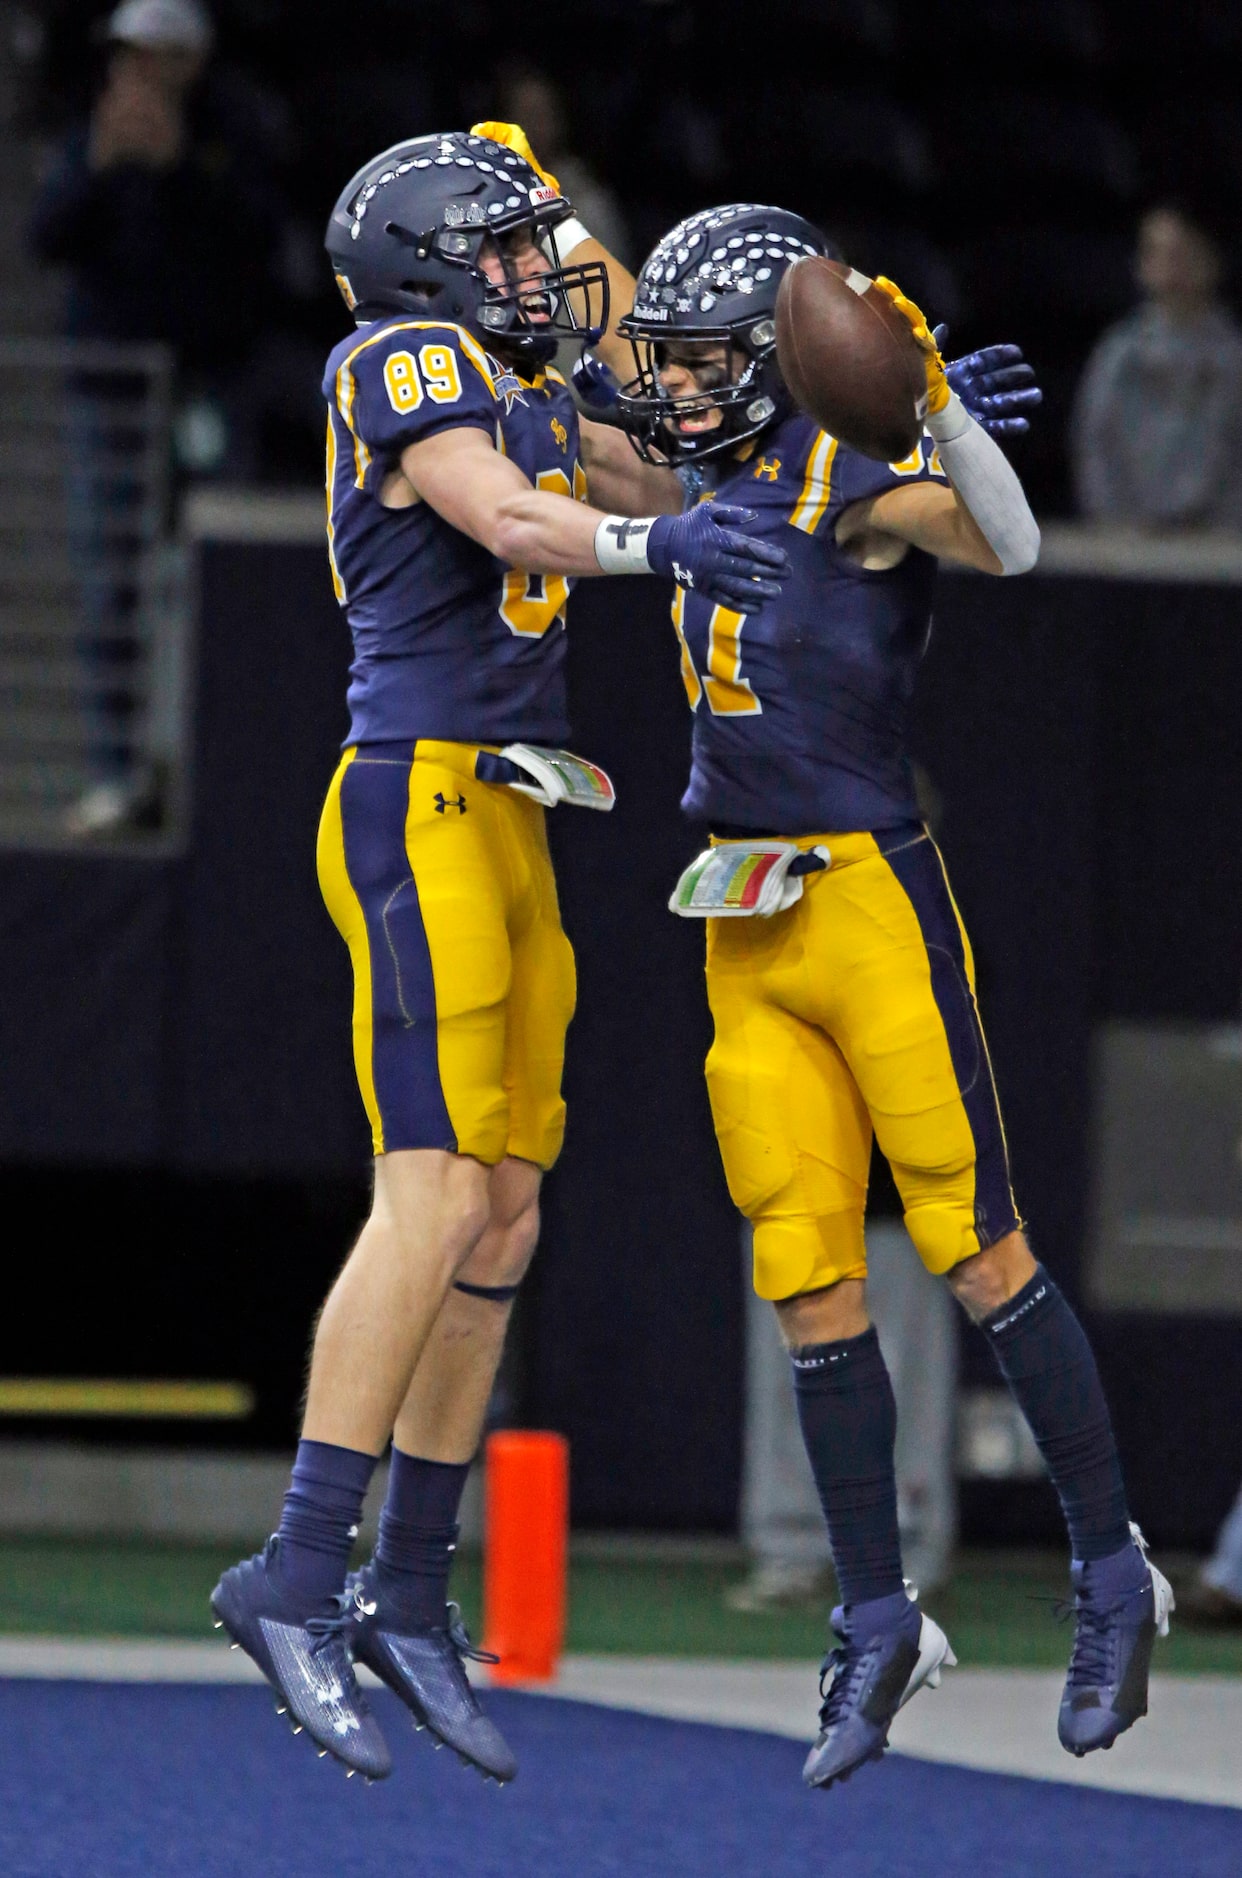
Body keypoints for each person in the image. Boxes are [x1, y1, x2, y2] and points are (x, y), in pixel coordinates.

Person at [208, 128, 787, 1784]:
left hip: (512, 816)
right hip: (419, 801)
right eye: (516, 251)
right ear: (439, 263)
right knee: (434, 1190)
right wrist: (656, 542)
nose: (545, 273)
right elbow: (514, 521)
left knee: (508, 1209)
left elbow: (670, 481)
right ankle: (298, 1566)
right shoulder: (397, 358)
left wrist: (816, 432)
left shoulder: (528, 382)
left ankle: (407, 1586)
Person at [605, 200, 1173, 1790]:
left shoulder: (845, 477)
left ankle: (1110, 1573)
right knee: (801, 1264)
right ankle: (875, 1613)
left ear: (794, 370)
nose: (683, 387)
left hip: (861, 896)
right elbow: (575, 442)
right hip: (738, 915)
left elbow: (1012, 540)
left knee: (975, 1249)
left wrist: (924, 410)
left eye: (713, 362)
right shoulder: (703, 466)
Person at [28, 0, 288, 836]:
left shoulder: (235, 125)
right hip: (115, 399)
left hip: (209, 383)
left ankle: (207, 770)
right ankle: (117, 773)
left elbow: (258, 242)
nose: (140, 70)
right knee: (114, 589)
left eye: (156, 54)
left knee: (209, 581)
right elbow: (46, 238)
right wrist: (102, 164)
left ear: (190, 58)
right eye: (129, 53)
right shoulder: (98, 127)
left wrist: (179, 167)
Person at [1072, 202, 1242, 530]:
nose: (1171, 268)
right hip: (1129, 540)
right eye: (1158, 254)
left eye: (1183, 254)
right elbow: (1094, 447)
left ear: (1211, 261)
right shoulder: (1117, 353)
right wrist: (1117, 525)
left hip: (1219, 545)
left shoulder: (1233, 358)